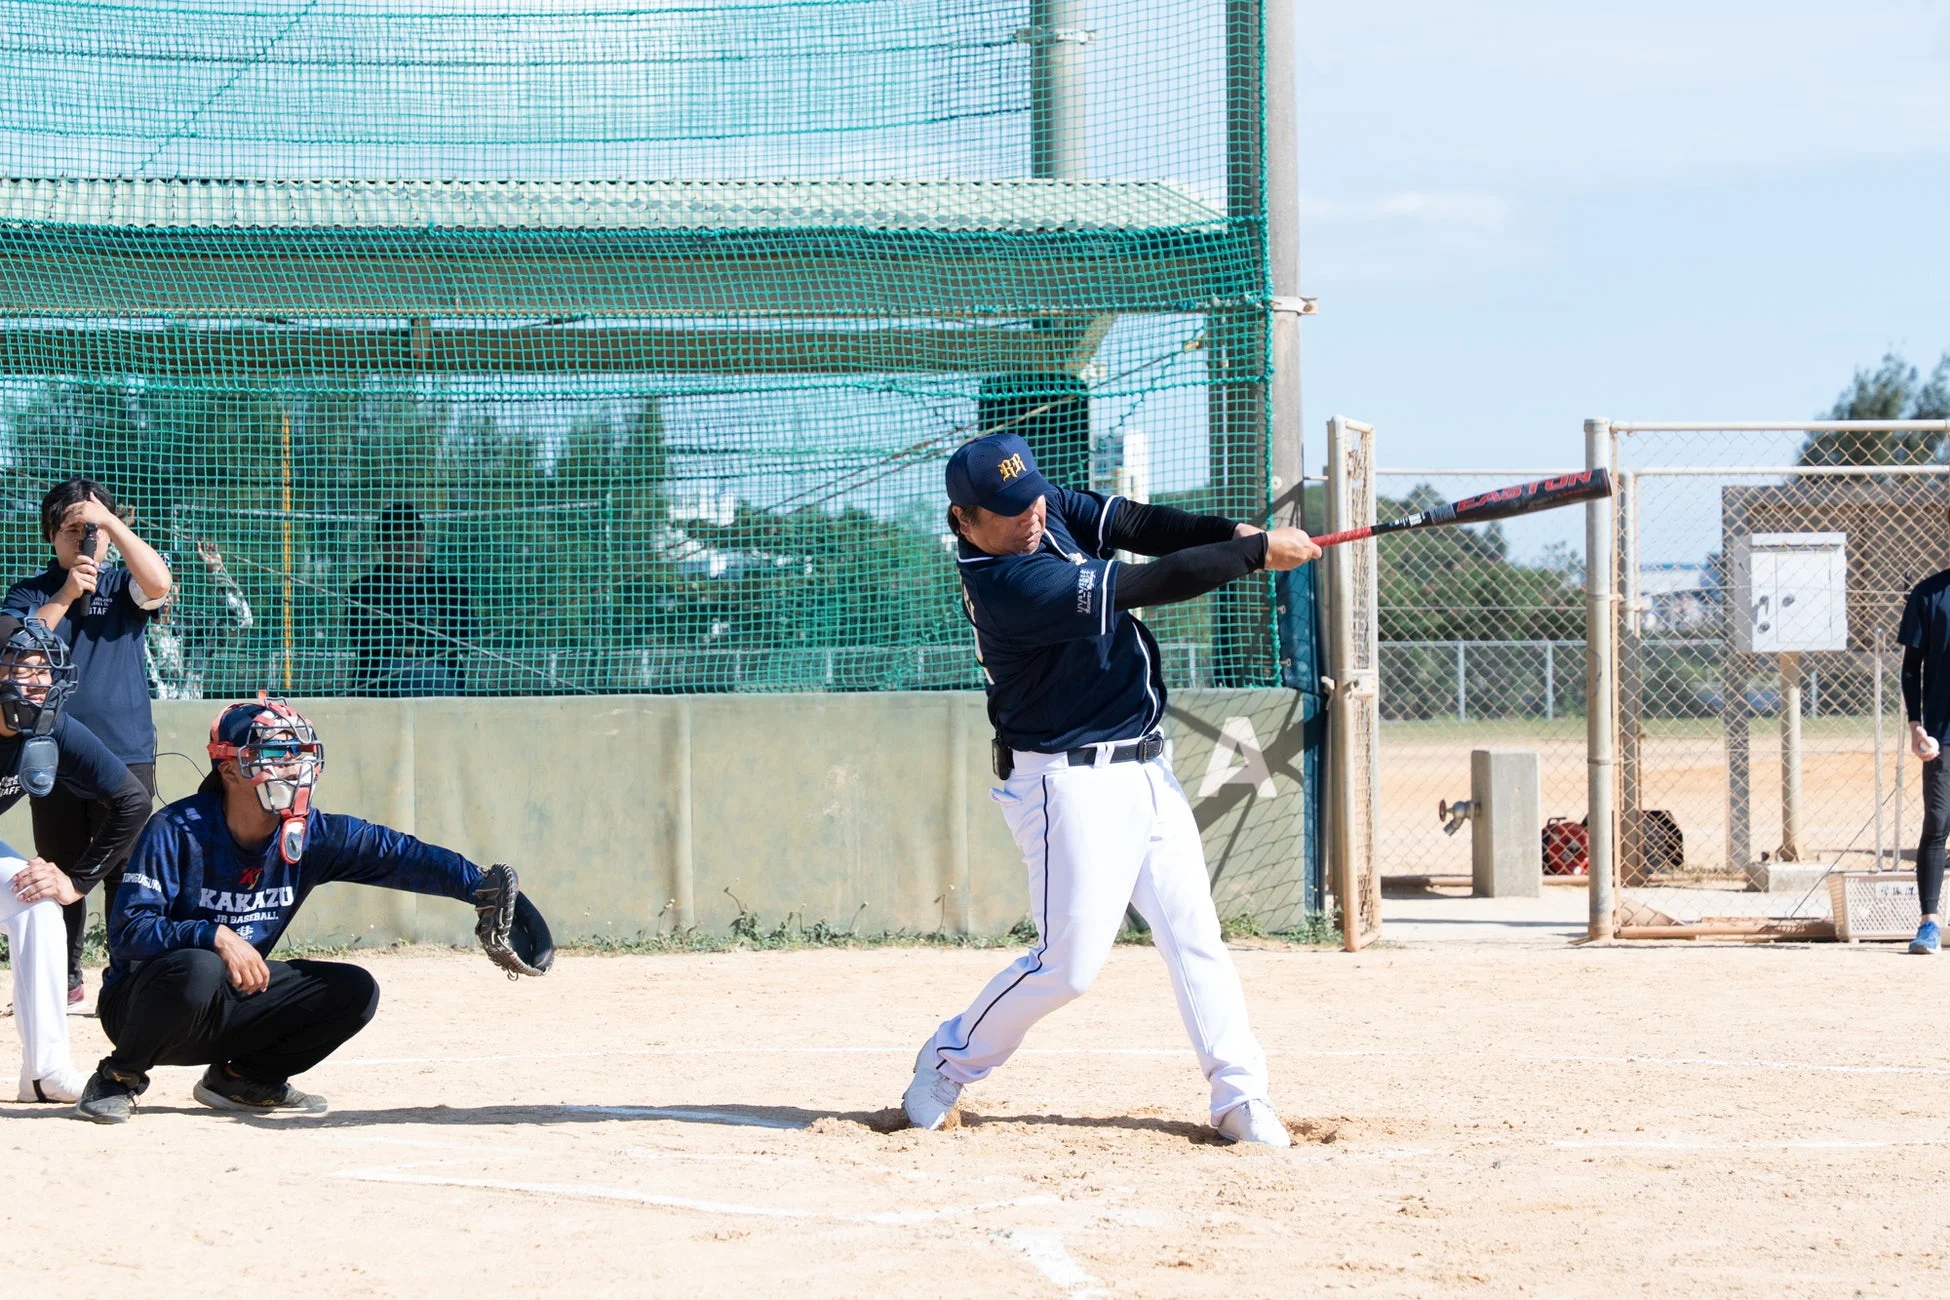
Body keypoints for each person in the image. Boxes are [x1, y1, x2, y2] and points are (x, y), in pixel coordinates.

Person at [900, 432, 1320, 1146]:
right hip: (1066, 783)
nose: (1032, 512)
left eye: (1032, 493)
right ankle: (946, 1062)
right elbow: (1142, 582)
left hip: (1148, 767)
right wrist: (1251, 555)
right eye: (1007, 507)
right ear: (964, 519)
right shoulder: (1006, 587)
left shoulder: (1041, 510)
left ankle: (1240, 1096)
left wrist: (1231, 533)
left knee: (1195, 937)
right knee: (1067, 967)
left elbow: (1135, 526)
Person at [76, 694, 554, 1124]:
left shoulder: (311, 834)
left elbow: (401, 856)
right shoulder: (178, 828)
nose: (292, 768)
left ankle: (241, 1079)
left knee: (353, 990)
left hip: (233, 998)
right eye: (275, 755)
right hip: (144, 1005)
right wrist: (215, 936)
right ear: (229, 769)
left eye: (299, 755)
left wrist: (480, 889)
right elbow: (131, 932)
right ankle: (117, 1077)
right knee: (199, 966)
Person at [4, 477, 170, 1006]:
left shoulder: (124, 583)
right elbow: (17, 646)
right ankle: (64, 976)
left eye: (92, 529)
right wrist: (69, 592)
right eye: (73, 529)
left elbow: (161, 585)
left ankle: (125, 980)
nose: (85, 539)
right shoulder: (31, 592)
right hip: (51, 748)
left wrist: (113, 525)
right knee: (58, 863)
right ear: (51, 534)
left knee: (125, 870)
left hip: (125, 747)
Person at [0, 615, 151, 1102]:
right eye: (25, 667)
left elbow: (132, 800)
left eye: (47, 669)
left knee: (38, 901)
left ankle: (44, 1072)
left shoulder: (49, 726)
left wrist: (77, 880)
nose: (41, 682)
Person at [344, 503, 478, 697]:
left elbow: (466, 637)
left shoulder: (450, 587)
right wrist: (429, 628)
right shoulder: (362, 590)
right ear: (381, 545)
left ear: (423, 538)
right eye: (395, 539)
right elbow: (365, 641)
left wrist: (395, 628)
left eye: (411, 537)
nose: (405, 546)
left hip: (438, 676)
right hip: (381, 679)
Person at [1901, 542, 1950, 954]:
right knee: (1937, 822)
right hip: (1942, 734)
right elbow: (1910, 667)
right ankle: (1929, 924)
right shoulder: (1930, 593)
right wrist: (1916, 726)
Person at [145, 540, 254, 701]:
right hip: (145, 720)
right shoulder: (131, 627)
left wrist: (217, 572)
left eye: (174, 580)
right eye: (159, 579)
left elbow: (243, 620)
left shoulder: (196, 625)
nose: (168, 588)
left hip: (189, 718)